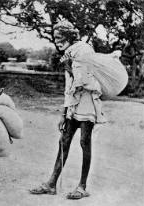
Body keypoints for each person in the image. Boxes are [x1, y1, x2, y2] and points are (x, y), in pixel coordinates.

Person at [29, 20, 106, 200]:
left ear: (70, 36)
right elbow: (68, 86)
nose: (57, 41)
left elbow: (83, 80)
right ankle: (51, 184)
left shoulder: (85, 50)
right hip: (73, 103)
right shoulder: (68, 53)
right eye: (55, 38)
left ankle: (82, 186)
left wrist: (68, 66)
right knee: (64, 139)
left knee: (84, 141)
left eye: (60, 37)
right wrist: (63, 114)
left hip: (87, 101)